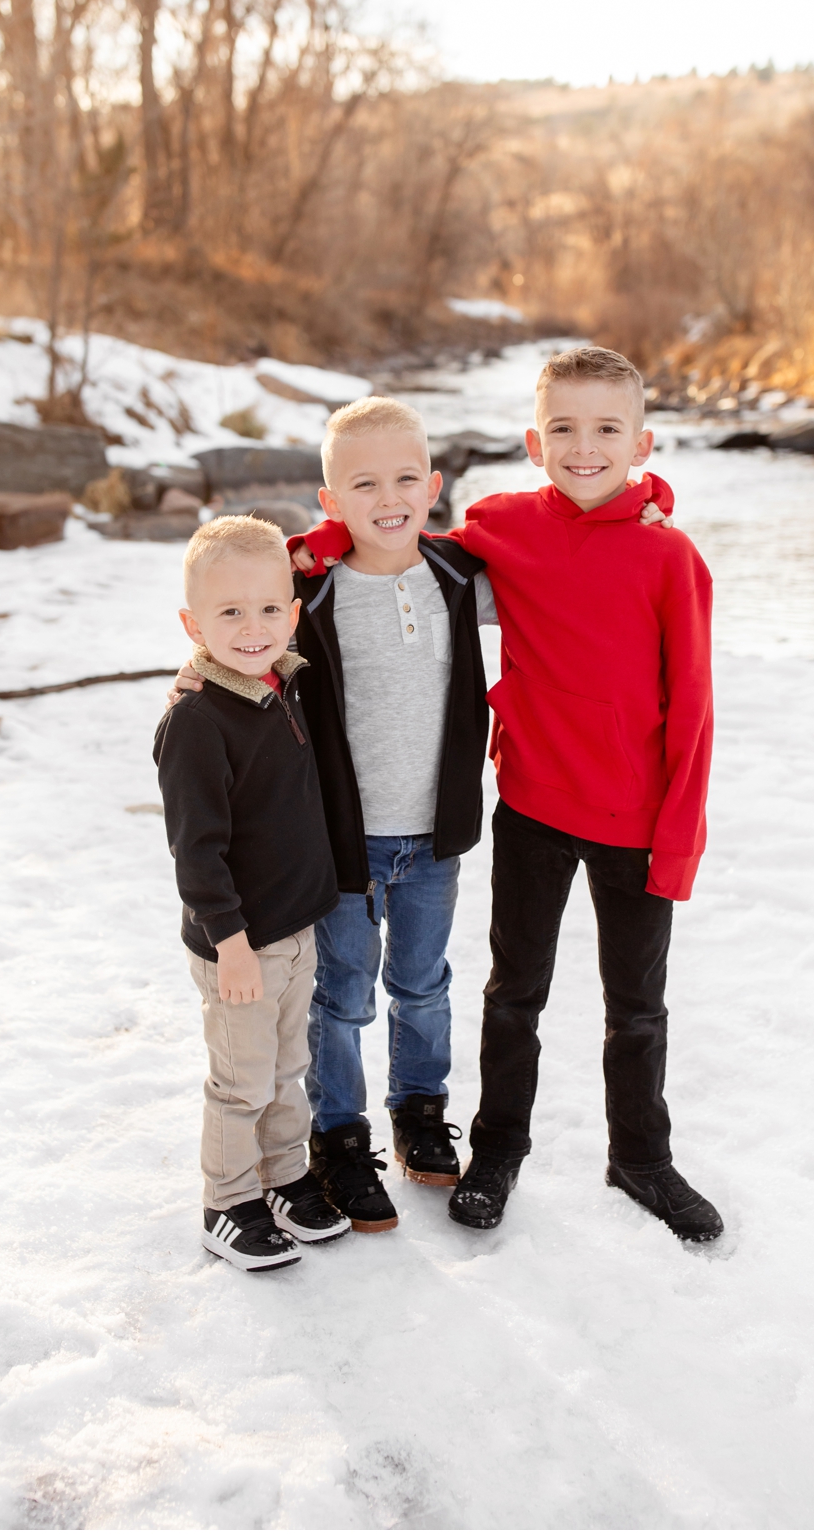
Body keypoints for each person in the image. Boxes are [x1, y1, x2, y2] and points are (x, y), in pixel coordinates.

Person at [286, 346, 721, 1243]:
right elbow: (407, 545)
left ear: (643, 441)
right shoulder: (503, 526)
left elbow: (696, 712)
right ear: (534, 439)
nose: (584, 447)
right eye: (564, 428)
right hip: (528, 808)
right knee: (512, 993)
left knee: (636, 1006)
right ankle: (497, 1150)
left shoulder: (671, 560)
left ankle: (640, 1155)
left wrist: (678, 843)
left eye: (607, 430)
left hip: (636, 823)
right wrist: (324, 543)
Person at [181, 396, 498, 1233]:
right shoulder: (309, 593)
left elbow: (559, 552)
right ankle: (338, 1137)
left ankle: (419, 1112)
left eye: (405, 478)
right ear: (331, 501)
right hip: (343, 845)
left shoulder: (462, 575)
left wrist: (648, 504)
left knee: (423, 986)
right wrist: (195, 672)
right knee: (342, 998)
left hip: (436, 836)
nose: (387, 497)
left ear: (433, 485)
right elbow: (237, 611)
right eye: (363, 483)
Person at [153, 516, 351, 1271]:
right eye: (228, 612)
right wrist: (230, 943)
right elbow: (195, 852)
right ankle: (227, 1200)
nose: (251, 626)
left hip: (295, 934)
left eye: (269, 608)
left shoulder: (282, 682)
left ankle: (284, 1179)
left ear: (293, 612)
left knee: (285, 1069)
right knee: (240, 1083)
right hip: (238, 947)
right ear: (191, 623)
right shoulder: (196, 719)